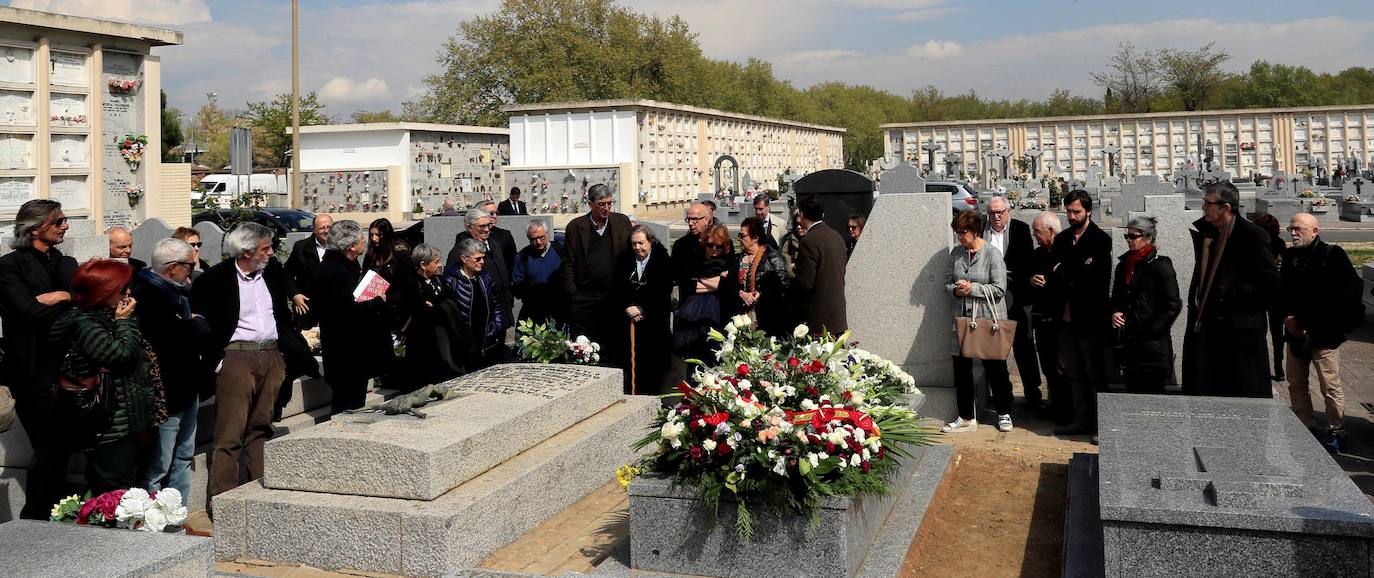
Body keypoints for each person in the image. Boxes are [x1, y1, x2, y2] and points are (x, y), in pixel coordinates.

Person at [191, 222, 315, 508]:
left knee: (261, 428)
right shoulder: (216, 279)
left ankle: (260, 495)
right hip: (236, 357)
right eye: (266, 248)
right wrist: (219, 361)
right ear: (247, 251)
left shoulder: (270, 272)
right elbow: (200, 323)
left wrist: (282, 355)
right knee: (229, 434)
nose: (271, 253)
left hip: (270, 355)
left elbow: (284, 302)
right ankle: (224, 502)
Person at [51, 259, 162, 495]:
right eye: (122, 289)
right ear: (104, 292)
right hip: (108, 427)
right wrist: (124, 322)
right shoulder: (84, 324)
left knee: (122, 491)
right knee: (115, 493)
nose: (128, 293)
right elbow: (121, 355)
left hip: (130, 421)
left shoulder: (107, 317)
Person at [0, 199, 77, 519]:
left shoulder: (63, 260)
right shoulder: (9, 266)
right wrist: (61, 298)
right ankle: (35, 517)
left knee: (61, 449)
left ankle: (54, 513)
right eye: (58, 221)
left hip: (68, 371)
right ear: (34, 228)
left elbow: (82, 301)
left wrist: (58, 296)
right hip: (30, 374)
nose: (65, 226)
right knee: (49, 448)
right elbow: (27, 311)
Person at [1183, 181, 1280, 398]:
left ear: (1226, 208)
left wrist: (1233, 292)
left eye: (1208, 203)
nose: (1203, 207)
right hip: (1209, 327)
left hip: (1240, 332)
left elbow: (1272, 283)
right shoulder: (1208, 234)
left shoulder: (1251, 236)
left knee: (1242, 393)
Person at [133, 238, 209, 500]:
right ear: (173, 267)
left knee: (184, 455)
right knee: (159, 462)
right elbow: (169, 338)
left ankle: (178, 512)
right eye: (189, 264)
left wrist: (190, 326)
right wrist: (193, 326)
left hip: (187, 386)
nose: (193, 268)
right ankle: (154, 515)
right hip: (167, 391)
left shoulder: (176, 291)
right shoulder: (148, 294)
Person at [1281, 213, 1363, 452]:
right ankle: (1304, 425)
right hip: (1295, 332)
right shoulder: (1290, 256)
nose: (1294, 233)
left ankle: (1337, 429)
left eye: (1299, 229)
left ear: (1314, 231)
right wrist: (1288, 319)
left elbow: (1342, 295)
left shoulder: (1332, 255)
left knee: (1330, 385)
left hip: (1324, 334)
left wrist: (1310, 321)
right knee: (1296, 383)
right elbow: (1283, 290)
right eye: (1291, 228)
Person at [1044, 190, 1111, 435]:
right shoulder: (1061, 240)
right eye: (1069, 211)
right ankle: (1080, 420)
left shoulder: (1100, 239)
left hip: (1089, 320)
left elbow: (1097, 280)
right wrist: (1074, 270)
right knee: (1074, 374)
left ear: (1088, 211)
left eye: (1077, 212)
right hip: (1065, 319)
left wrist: (1067, 271)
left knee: (1095, 375)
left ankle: (1099, 426)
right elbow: (1053, 274)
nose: (1072, 216)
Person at [942, 210, 1014, 434]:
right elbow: (947, 282)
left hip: (987, 318)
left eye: (963, 232)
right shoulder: (956, 253)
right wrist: (956, 290)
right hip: (963, 318)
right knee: (961, 368)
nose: (959, 237)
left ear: (975, 231)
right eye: (957, 232)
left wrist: (973, 288)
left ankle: (1003, 412)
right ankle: (965, 416)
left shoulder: (992, 254)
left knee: (995, 367)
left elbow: (1000, 288)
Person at [314, 220, 393, 414]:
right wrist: (377, 301)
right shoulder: (334, 270)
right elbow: (346, 310)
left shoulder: (344, 265)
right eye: (361, 240)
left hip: (355, 349)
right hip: (345, 350)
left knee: (355, 399)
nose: (364, 242)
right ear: (350, 246)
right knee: (346, 405)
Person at [1109, 216, 1182, 393]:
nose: (1128, 240)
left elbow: (1173, 304)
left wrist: (1152, 330)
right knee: (1132, 390)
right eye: (1127, 236)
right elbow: (1116, 298)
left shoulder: (1161, 265)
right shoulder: (1123, 265)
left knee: (1153, 394)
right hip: (1129, 342)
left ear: (1148, 238)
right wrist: (1115, 312)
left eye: (1133, 237)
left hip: (1152, 346)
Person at [558, 184, 631, 355]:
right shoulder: (576, 227)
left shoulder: (621, 222)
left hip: (613, 296)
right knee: (585, 348)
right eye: (601, 204)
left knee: (614, 346)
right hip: (585, 298)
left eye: (609, 204)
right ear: (590, 203)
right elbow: (568, 263)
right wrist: (573, 294)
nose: (606, 208)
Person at [983, 195, 1041, 408]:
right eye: (992, 213)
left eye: (1000, 212)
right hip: (990, 299)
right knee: (992, 347)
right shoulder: (982, 228)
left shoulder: (1020, 229)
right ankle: (1000, 394)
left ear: (1008, 211)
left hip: (1017, 297)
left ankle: (1033, 394)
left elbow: (1026, 261)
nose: (996, 217)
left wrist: (1008, 275)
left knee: (1024, 346)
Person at [392, 244, 464, 390]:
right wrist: (439, 307)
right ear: (423, 265)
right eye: (436, 262)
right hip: (422, 340)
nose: (439, 265)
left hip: (443, 337)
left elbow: (453, 302)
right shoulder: (412, 283)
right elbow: (421, 312)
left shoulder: (439, 280)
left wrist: (437, 306)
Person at [613, 225, 672, 394]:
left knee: (652, 367)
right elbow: (617, 287)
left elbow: (662, 291)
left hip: (653, 323)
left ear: (651, 242)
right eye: (634, 244)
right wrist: (628, 306)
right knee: (631, 365)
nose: (637, 247)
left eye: (641, 243)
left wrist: (643, 308)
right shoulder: (624, 258)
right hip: (629, 321)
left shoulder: (662, 259)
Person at [1028, 212, 1070, 425]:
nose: (1034, 235)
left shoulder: (1067, 251)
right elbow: (1029, 277)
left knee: (1064, 367)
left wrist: (1051, 283)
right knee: (1048, 366)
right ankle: (1054, 404)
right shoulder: (1037, 254)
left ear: (1051, 231)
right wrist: (1032, 280)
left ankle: (1067, 411)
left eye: (1037, 231)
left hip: (1062, 320)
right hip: (1042, 318)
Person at [446, 238, 512, 370]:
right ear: (464, 259)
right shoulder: (451, 281)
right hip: (464, 341)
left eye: (483, 258)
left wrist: (496, 327)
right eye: (477, 259)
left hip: (486, 337)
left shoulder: (485, 277)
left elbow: (496, 304)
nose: (482, 262)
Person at [673, 224, 735, 362]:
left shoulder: (728, 259)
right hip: (694, 314)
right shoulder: (695, 257)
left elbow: (727, 285)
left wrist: (701, 280)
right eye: (710, 245)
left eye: (718, 246)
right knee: (695, 357)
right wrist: (715, 282)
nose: (714, 249)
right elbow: (688, 285)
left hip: (720, 314)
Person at [794, 195, 848, 336]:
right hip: (837, 313)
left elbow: (805, 283)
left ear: (802, 215)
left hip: (818, 316)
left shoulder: (809, 240)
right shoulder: (836, 236)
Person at [446, 209, 513, 314]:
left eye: (488, 225)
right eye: (482, 226)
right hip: (479, 315)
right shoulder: (459, 252)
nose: (487, 230)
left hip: (500, 311)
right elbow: (452, 284)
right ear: (469, 227)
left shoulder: (494, 244)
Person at [736, 217, 789, 336]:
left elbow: (783, 288)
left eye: (742, 235)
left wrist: (762, 294)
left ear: (755, 238)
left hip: (766, 318)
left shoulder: (774, 259)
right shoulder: (738, 259)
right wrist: (741, 293)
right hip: (742, 318)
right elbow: (729, 285)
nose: (739, 239)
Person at [1254, 213, 1288, 381]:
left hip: (1276, 295)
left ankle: (1278, 367)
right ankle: (1263, 365)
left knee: (1277, 334)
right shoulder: (1255, 245)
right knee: (1261, 330)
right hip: (1261, 293)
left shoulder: (1278, 245)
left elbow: (1283, 267)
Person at [512, 220, 562, 325]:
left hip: (558, 307)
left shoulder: (560, 250)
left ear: (547, 234)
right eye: (534, 239)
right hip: (533, 309)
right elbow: (517, 286)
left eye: (541, 237)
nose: (538, 242)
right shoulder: (522, 256)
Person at [285, 214, 331, 318]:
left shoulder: (341, 247)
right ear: (314, 230)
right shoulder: (301, 248)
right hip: (307, 306)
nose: (326, 231)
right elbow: (287, 274)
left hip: (334, 308)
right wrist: (294, 294)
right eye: (322, 228)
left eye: (329, 227)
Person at [477, 199, 519, 276]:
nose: (495, 216)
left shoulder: (505, 236)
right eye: (491, 213)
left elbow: (513, 263)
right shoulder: (466, 237)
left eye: (496, 213)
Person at [365, 218, 411, 284]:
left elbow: (406, 281)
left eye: (378, 235)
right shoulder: (370, 254)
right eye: (371, 235)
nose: (374, 239)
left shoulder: (401, 255)